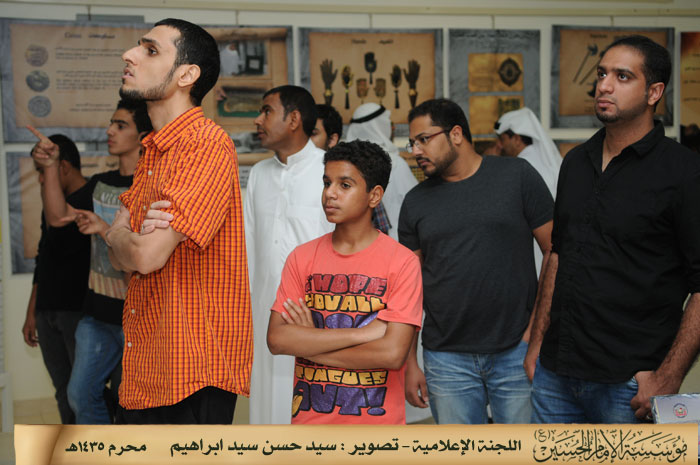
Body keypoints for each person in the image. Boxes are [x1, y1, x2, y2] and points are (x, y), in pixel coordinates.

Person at [525, 35, 700, 424]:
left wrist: (669, 376)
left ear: (654, 92)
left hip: (629, 384)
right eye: (602, 74)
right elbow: (558, 254)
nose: (604, 85)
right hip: (555, 376)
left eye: (622, 76)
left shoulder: (684, 172)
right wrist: (537, 342)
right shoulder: (576, 162)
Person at [105, 18, 251, 425]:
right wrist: (123, 238)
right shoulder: (153, 151)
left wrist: (118, 232)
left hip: (191, 369)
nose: (129, 55)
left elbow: (146, 256)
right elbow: (120, 258)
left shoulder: (205, 143)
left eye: (150, 50)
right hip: (148, 362)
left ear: (187, 75)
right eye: (138, 47)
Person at [399, 98, 554, 424]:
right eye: (412, 143)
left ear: (456, 134)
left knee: (521, 449)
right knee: (459, 450)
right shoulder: (415, 202)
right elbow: (409, 289)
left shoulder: (517, 176)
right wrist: (410, 362)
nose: (415, 151)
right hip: (446, 357)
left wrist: (536, 335)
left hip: (516, 350)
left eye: (423, 139)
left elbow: (556, 253)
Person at [267, 140, 423, 424]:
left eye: (345, 185)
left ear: (374, 195)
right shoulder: (302, 257)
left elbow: (392, 354)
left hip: (377, 432)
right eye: (327, 183)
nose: (330, 193)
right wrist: (362, 335)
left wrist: (309, 342)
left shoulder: (402, 263)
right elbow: (277, 340)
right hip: (310, 430)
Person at [244, 85, 334, 424]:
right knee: (267, 407)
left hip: (316, 315)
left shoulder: (330, 170)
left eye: (267, 111)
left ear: (294, 119)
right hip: (264, 311)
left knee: (312, 410)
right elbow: (250, 246)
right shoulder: (259, 174)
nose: (258, 120)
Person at [61, 100, 151, 424]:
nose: (110, 131)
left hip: (138, 316)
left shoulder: (150, 186)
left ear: (142, 137)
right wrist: (50, 165)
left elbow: (141, 255)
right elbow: (59, 215)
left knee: (133, 405)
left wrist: (103, 229)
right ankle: (102, 447)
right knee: (80, 394)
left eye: (120, 125)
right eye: (111, 123)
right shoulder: (101, 182)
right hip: (98, 313)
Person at [22, 133, 91, 424]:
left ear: (62, 166)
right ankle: (72, 444)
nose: (41, 180)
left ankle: (97, 444)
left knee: (84, 393)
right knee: (63, 391)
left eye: (43, 171)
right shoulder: (51, 204)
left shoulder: (93, 196)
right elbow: (44, 257)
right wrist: (32, 311)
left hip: (79, 313)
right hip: (48, 312)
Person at [495, 107, 562, 276]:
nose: (499, 146)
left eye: (502, 139)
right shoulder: (544, 164)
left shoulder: (521, 169)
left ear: (517, 139)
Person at [346, 103, 418, 241]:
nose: (393, 128)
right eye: (390, 123)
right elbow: (417, 204)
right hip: (395, 243)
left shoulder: (344, 165)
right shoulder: (394, 163)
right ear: (378, 126)